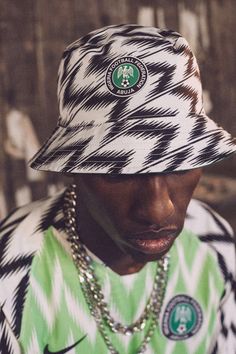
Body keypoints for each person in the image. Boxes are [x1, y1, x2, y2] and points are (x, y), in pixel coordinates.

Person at [0, 24, 236, 354]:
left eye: (179, 165)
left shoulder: (216, 246)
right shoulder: (12, 278)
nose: (158, 210)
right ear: (73, 169)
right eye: (117, 171)